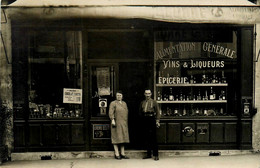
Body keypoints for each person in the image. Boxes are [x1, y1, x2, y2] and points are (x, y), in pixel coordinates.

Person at [139, 89, 160, 161]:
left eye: (149, 93)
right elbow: (140, 112)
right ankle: (148, 154)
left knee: (153, 137)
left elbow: (157, 112)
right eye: (146, 93)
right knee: (146, 137)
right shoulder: (142, 102)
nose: (147, 95)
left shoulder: (154, 102)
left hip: (151, 119)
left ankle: (156, 155)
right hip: (145, 119)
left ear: (151, 94)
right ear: (144, 94)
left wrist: (157, 121)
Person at [109, 91, 130, 160]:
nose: (119, 96)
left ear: (122, 96)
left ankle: (123, 153)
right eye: (117, 95)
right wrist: (112, 119)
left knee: (123, 138)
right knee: (116, 137)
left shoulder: (124, 103)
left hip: (123, 123)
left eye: (120, 95)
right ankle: (117, 153)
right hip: (116, 122)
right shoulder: (113, 103)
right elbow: (111, 112)